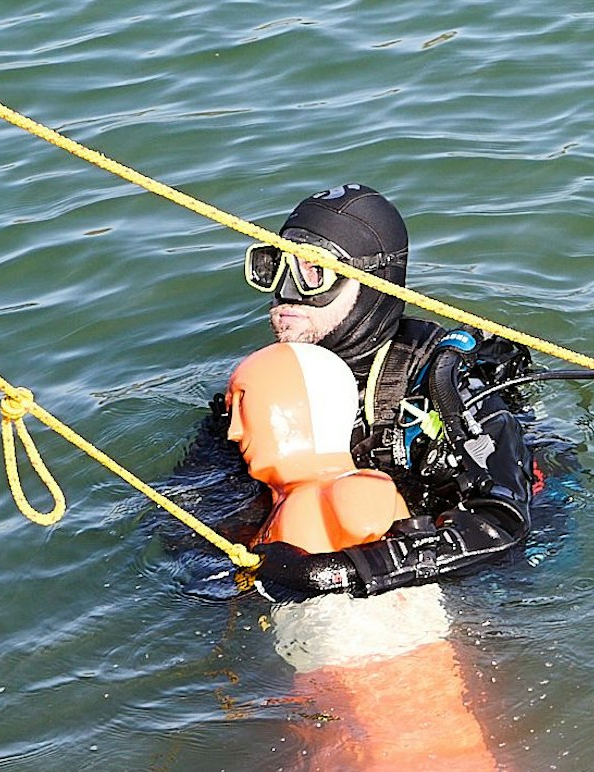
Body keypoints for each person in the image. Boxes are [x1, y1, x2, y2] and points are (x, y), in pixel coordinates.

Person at [227, 341, 512, 772]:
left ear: (299, 415)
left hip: (387, 701)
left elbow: (380, 547)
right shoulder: (296, 502)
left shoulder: (350, 492)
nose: (234, 432)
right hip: (348, 687)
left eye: (244, 409)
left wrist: (317, 572)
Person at [232, 183, 554, 599]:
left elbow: (502, 526)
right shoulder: (270, 381)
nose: (286, 290)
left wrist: (345, 572)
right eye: (275, 265)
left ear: (373, 282)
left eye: (314, 271)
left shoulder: (446, 383)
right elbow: (204, 499)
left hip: (485, 568)